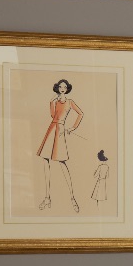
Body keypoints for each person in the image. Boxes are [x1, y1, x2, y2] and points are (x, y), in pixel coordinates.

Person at [36, 78, 83, 212]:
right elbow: (53, 115)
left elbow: (80, 114)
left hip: (60, 130)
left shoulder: (70, 102)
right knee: (45, 160)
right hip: (52, 128)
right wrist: (51, 102)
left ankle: (72, 197)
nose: (62, 89)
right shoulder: (55, 101)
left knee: (62, 162)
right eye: (60, 87)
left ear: (67, 89)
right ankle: (47, 198)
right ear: (58, 88)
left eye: (65, 87)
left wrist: (72, 128)